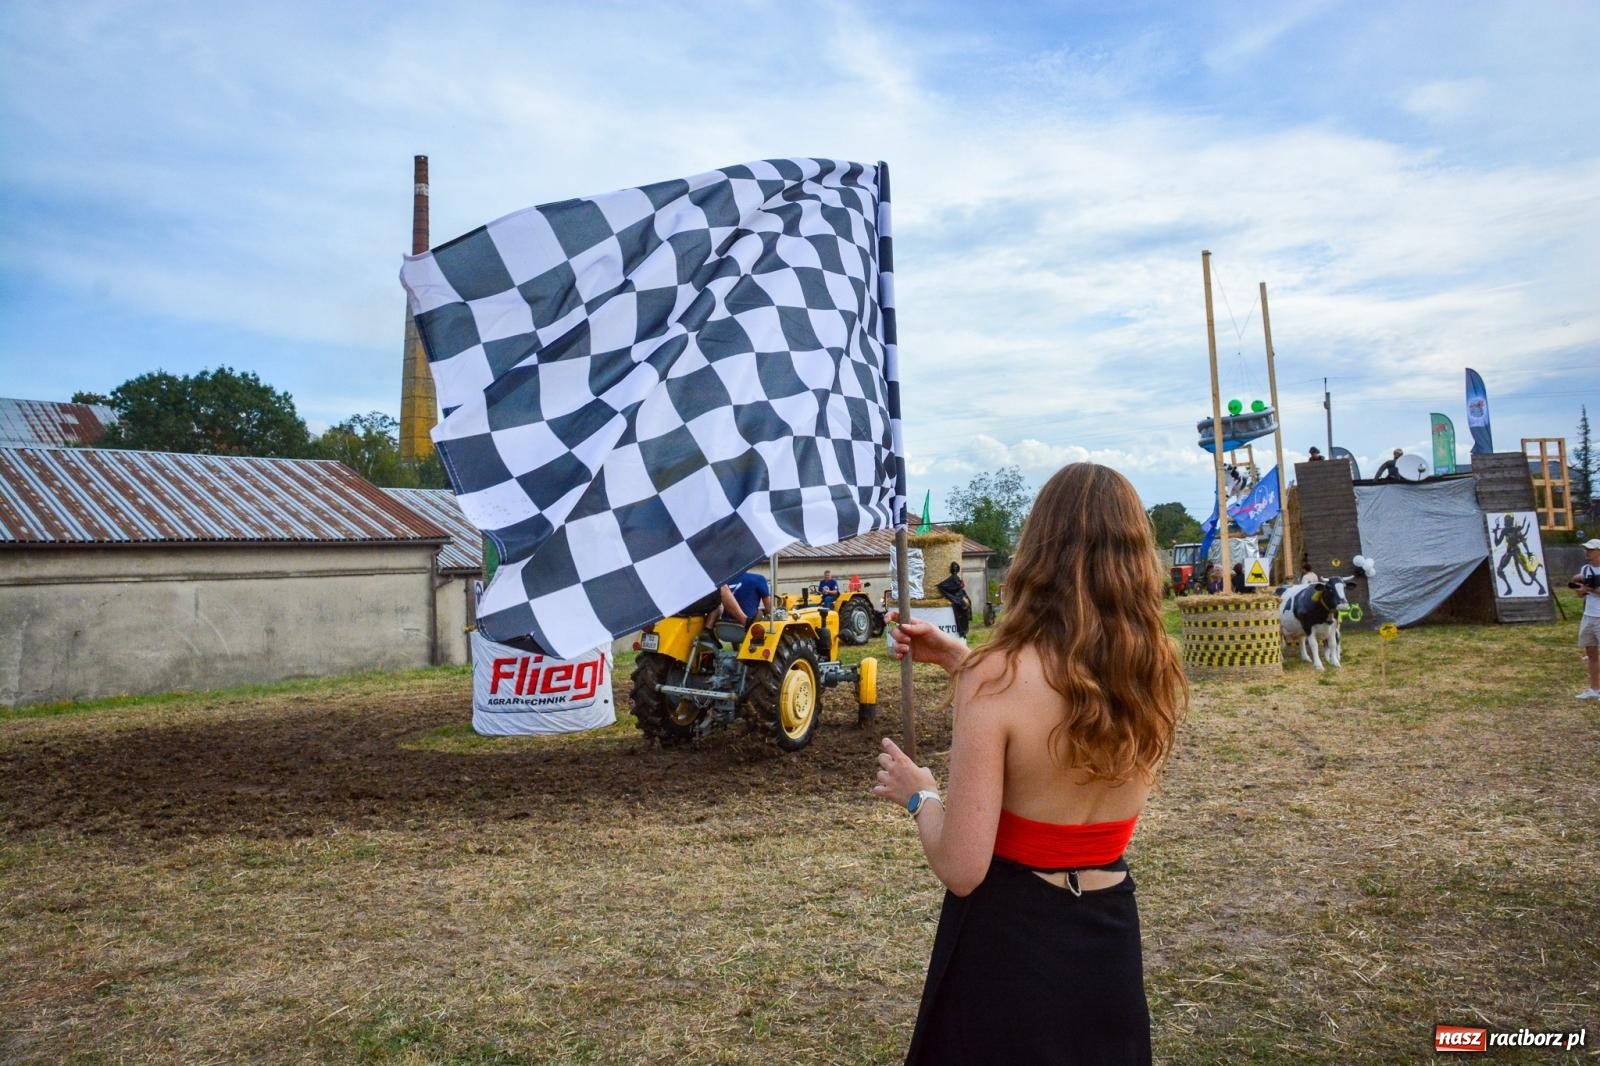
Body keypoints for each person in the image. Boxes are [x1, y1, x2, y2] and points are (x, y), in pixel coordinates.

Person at [871, 462, 1186, 1064]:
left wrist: (922, 797)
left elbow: (963, 867)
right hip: (1109, 932)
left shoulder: (997, 678)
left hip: (1013, 944)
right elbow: (1068, 704)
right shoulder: (1154, 674)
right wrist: (965, 663)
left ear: (1037, 549)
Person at [1571, 538, 1600, 700]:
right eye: (1586, 549)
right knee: (1591, 652)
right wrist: (1580, 589)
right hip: (1589, 615)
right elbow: (1580, 594)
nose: (1587, 552)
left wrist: (1591, 589)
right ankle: (1594, 688)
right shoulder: (1585, 569)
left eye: (1590, 549)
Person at [936, 561, 973, 638]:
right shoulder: (953, 578)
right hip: (957, 596)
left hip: (959, 595)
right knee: (962, 607)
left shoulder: (956, 578)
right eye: (954, 569)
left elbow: (955, 586)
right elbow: (948, 586)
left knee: (967, 603)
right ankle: (963, 629)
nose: (955, 570)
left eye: (956, 568)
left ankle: (964, 627)